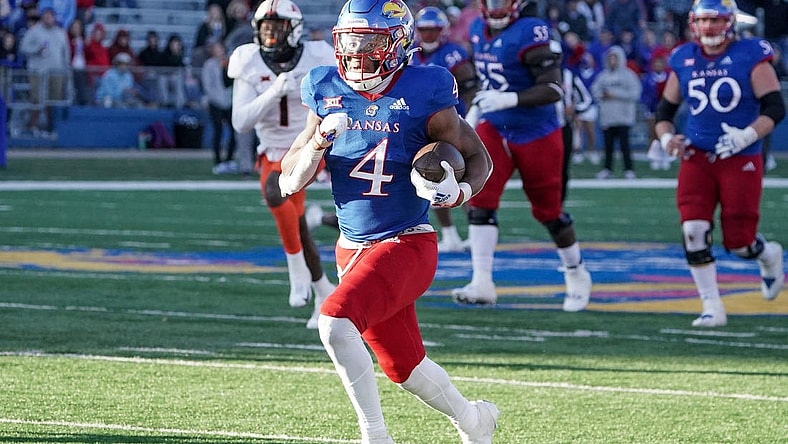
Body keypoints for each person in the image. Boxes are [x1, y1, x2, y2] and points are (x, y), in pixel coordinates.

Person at [278, 1, 498, 442]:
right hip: (351, 246)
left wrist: (460, 191)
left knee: (334, 323)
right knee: (405, 367)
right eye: (351, 40)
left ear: (398, 42)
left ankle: (375, 435)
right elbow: (288, 176)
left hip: (407, 242)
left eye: (370, 41)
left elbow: (478, 157)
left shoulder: (426, 87)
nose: (358, 51)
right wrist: (319, 141)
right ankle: (475, 420)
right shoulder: (325, 86)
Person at [452, 0, 593, 312]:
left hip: (537, 131)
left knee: (548, 212)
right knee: (480, 199)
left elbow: (554, 88)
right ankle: (482, 281)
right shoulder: (477, 27)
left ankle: (576, 272)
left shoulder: (531, 31)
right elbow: (480, 81)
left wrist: (509, 98)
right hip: (497, 127)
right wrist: (477, 107)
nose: (496, 6)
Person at [654, 0, 785, 328]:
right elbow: (664, 113)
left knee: (740, 242)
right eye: (703, 20)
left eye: (715, 19)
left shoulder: (751, 55)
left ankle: (768, 255)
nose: (709, 27)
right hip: (697, 157)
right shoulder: (684, 57)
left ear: (730, 22)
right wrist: (667, 138)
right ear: (693, 22)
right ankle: (712, 306)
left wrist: (747, 135)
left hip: (739, 157)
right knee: (693, 230)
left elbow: (774, 108)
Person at [227, 0, 336, 330]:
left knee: (275, 192)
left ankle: (295, 271)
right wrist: (274, 91)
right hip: (272, 152)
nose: (270, 34)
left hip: (310, 146)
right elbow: (240, 121)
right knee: (298, 225)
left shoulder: (318, 55)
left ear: (294, 29)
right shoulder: (247, 59)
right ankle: (323, 291)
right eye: (265, 28)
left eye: (277, 28)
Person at [411, 5, 479, 253]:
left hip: (453, 123)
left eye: (433, 30)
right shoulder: (411, 54)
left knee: (463, 175)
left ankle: (474, 231)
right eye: (424, 30)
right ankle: (449, 235)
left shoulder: (452, 53)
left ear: (443, 31)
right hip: (421, 126)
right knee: (432, 177)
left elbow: (470, 86)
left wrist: (469, 118)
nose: (428, 35)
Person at [590, 45, 642, 179]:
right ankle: (607, 169)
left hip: (624, 116)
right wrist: (603, 95)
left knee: (625, 146)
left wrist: (616, 94)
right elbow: (595, 91)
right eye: (610, 58)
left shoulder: (629, 75)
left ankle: (629, 169)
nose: (613, 61)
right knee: (608, 147)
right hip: (608, 117)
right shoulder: (603, 76)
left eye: (615, 58)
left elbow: (635, 93)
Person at [18, 6, 69, 137]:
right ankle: (33, 126)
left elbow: (65, 53)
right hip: (38, 71)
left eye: (50, 16)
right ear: (42, 17)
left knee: (53, 100)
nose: (48, 19)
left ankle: (50, 127)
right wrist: (36, 49)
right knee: (37, 99)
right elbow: (24, 47)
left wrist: (65, 68)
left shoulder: (60, 32)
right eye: (45, 16)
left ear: (54, 17)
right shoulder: (34, 31)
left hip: (56, 71)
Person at [201, 40, 236, 174]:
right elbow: (207, 85)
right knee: (218, 131)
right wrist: (216, 99)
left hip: (229, 101)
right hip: (215, 102)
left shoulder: (229, 63)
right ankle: (218, 161)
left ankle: (229, 159)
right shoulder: (209, 65)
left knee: (234, 131)